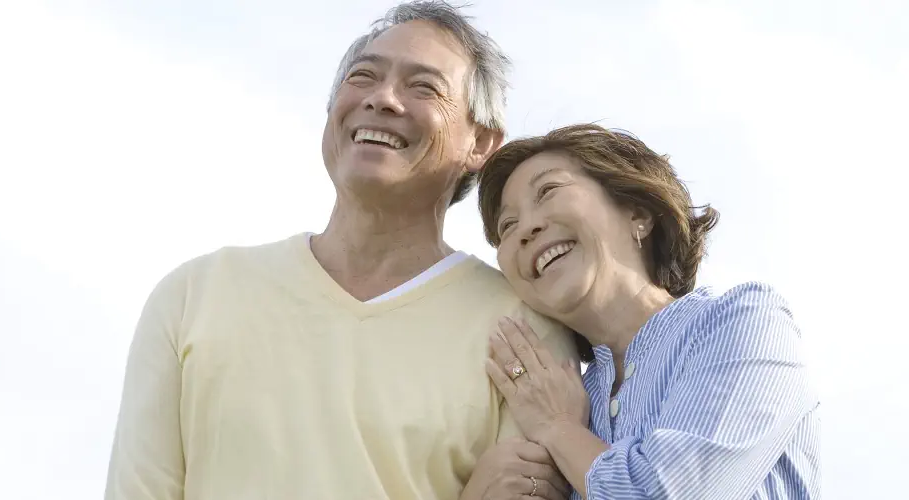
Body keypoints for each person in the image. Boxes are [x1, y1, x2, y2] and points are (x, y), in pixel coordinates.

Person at [104, 2, 578, 499]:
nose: (383, 99)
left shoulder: (524, 332)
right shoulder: (194, 295)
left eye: (423, 87)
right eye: (362, 77)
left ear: (479, 142)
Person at [476, 124, 821, 499]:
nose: (526, 228)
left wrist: (559, 427)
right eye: (507, 226)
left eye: (549, 191)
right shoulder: (557, 394)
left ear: (637, 212)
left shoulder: (746, 320)